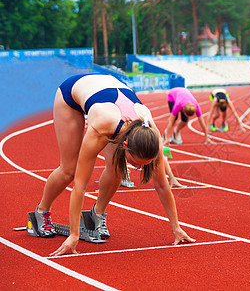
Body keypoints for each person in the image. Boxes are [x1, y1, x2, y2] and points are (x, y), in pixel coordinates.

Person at [32, 73, 194, 256]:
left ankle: (96, 215)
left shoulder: (151, 137)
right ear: (125, 145)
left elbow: (162, 185)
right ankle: (41, 212)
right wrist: (74, 234)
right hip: (72, 95)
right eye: (137, 163)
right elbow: (80, 186)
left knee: (117, 170)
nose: (139, 169)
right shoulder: (101, 127)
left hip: (111, 96)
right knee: (69, 170)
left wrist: (176, 228)